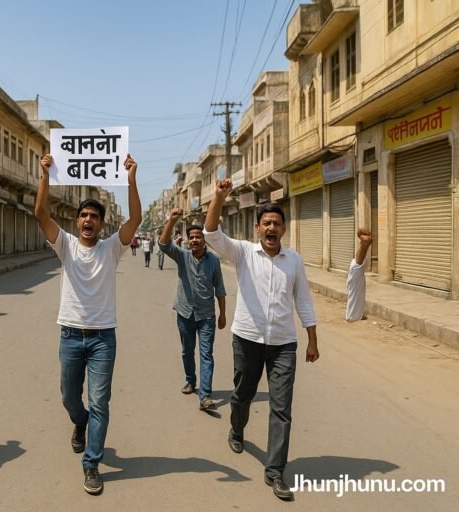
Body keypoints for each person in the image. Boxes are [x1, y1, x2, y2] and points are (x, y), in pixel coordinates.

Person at [203, 179, 319, 501]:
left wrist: (312, 339)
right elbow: (212, 233)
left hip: (283, 344)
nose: (271, 228)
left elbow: (304, 301)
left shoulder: (293, 261)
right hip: (248, 339)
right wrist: (218, 197)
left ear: (283, 229)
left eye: (277, 223)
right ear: (258, 228)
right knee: (243, 394)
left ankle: (275, 471)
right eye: (266, 223)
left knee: (282, 408)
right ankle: (237, 428)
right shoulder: (243, 252)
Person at [35, 153, 141, 496]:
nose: (87, 220)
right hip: (69, 334)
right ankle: (79, 424)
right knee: (70, 397)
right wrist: (45, 175)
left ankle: (92, 465)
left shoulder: (112, 249)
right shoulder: (65, 245)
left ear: (101, 223)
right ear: (77, 221)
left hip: (102, 340)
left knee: (100, 402)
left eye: (94, 216)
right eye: (83, 215)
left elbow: (136, 219)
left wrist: (131, 179)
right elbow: (41, 213)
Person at [159, 208, 226, 410]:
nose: (195, 240)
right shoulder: (182, 256)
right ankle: (190, 380)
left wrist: (223, 314)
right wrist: (171, 220)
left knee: (206, 354)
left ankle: (205, 396)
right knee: (187, 351)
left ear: (204, 240)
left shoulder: (213, 260)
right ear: (188, 240)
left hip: (207, 316)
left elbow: (220, 288)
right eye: (192, 237)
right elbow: (163, 245)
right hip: (185, 313)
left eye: (198, 237)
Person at [346, 229, 373, 322]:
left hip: (355, 270)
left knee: (358, 291)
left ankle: (358, 315)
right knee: (358, 264)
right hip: (355, 270)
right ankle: (365, 244)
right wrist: (364, 244)